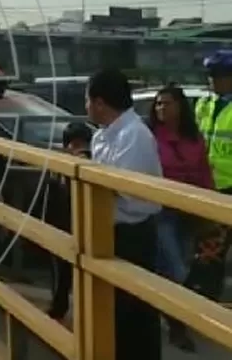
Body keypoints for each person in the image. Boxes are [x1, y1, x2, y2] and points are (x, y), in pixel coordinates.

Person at [85, 68, 162, 360]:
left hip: (134, 234)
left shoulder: (135, 136)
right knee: (113, 314)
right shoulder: (102, 136)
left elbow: (129, 190)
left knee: (135, 315)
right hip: (107, 231)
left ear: (100, 102)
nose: (87, 107)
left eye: (88, 100)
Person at [148, 84, 211, 352]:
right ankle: (177, 326)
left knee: (176, 266)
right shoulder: (151, 137)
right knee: (177, 268)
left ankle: (171, 316)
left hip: (190, 211)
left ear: (180, 107)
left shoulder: (194, 138)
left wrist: (210, 207)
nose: (162, 108)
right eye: (158, 104)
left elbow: (204, 171)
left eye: (167, 103)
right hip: (162, 210)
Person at [184, 50, 232, 307]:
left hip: (229, 187)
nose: (214, 80)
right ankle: (205, 300)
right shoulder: (204, 105)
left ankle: (205, 301)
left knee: (213, 250)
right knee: (209, 250)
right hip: (207, 186)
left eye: (220, 75)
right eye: (211, 75)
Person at [44, 121, 93, 323]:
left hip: (84, 225)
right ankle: (59, 306)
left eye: (83, 144)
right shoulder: (60, 166)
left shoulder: (93, 163)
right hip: (65, 224)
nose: (80, 150)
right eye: (75, 144)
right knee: (62, 270)